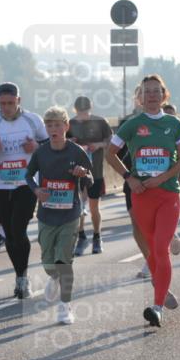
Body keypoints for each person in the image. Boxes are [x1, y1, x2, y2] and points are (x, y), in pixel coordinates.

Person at [107, 74, 180, 327]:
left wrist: (161, 178)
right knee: (153, 248)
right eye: (147, 91)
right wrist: (129, 178)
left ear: (164, 95)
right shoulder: (132, 125)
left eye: (156, 91)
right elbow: (110, 154)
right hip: (141, 196)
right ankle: (163, 292)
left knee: (161, 247)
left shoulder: (174, 124)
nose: (152, 95)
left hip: (168, 194)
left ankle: (156, 307)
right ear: (139, 98)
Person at [0, 82, 49, 299]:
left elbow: (51, 145)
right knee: (8, 234)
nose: (6, 107)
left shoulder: (32, 120)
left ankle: (23, 279)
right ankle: (19, 276)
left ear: (19, 100)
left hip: (26, 185)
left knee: (18, 229)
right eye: (2, 103)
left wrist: (35, 147)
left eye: (10, 102)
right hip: (2, 185)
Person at [25, 107, 92, 324]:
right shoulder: (41, 152)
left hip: (70, 214)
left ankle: (65, 306)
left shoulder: (76, 151)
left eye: (57, 125)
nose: (53, 129)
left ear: (66, 126)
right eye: (49, 125)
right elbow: (28, 176)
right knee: (48, 261)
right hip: (46, 214)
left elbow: (91, 178)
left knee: (64, 261)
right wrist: (36, 191)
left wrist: (83, 173)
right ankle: (53, 277)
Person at [67, 96, 112, 256]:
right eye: (80, 111)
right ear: (75, 110)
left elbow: (111, 141)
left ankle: (97, 236)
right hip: (76, 173)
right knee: (79, 208)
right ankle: (81, 236)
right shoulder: (70, 124)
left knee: (94, 208)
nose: (83, 114)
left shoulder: (100, 122)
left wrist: (99, 145)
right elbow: (62, 144)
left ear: (91, 108)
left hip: (96, 171)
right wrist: (71, 142)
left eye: (85, 111)